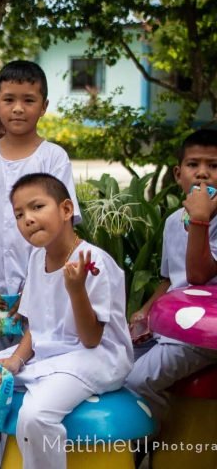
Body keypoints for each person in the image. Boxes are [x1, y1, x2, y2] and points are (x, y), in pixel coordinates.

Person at [0, 173, 133, 469]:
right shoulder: (38, 259)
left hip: (95, 358)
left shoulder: (93, 262)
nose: (28, 219)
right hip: (49, 356)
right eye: (19, 214)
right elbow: (38, 328)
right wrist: (15, 360)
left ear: (66, 209)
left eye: (37, 207)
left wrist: (76, 291)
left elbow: (91, 339)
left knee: (36, 415)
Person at [0, 61, 80, 360]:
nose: (18, 108)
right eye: (9, 100)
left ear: (43, 107)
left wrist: (36, 287)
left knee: (38, 363)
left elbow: (63, 226)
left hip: (41, 287)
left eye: (28, 100)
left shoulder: (54, 157)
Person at [126, 129, 217, 421]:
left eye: (213, 166)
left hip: (204, 334)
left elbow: (199, 275)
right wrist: (144, 311)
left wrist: (200, 220)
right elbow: (171, 279)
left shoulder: (201, 221)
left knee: (137, 381)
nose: (202, 174)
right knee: (114, 365)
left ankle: (153, 441)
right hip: (171, 326)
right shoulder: (171, 221)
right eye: (193, 165)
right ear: (178, 174)